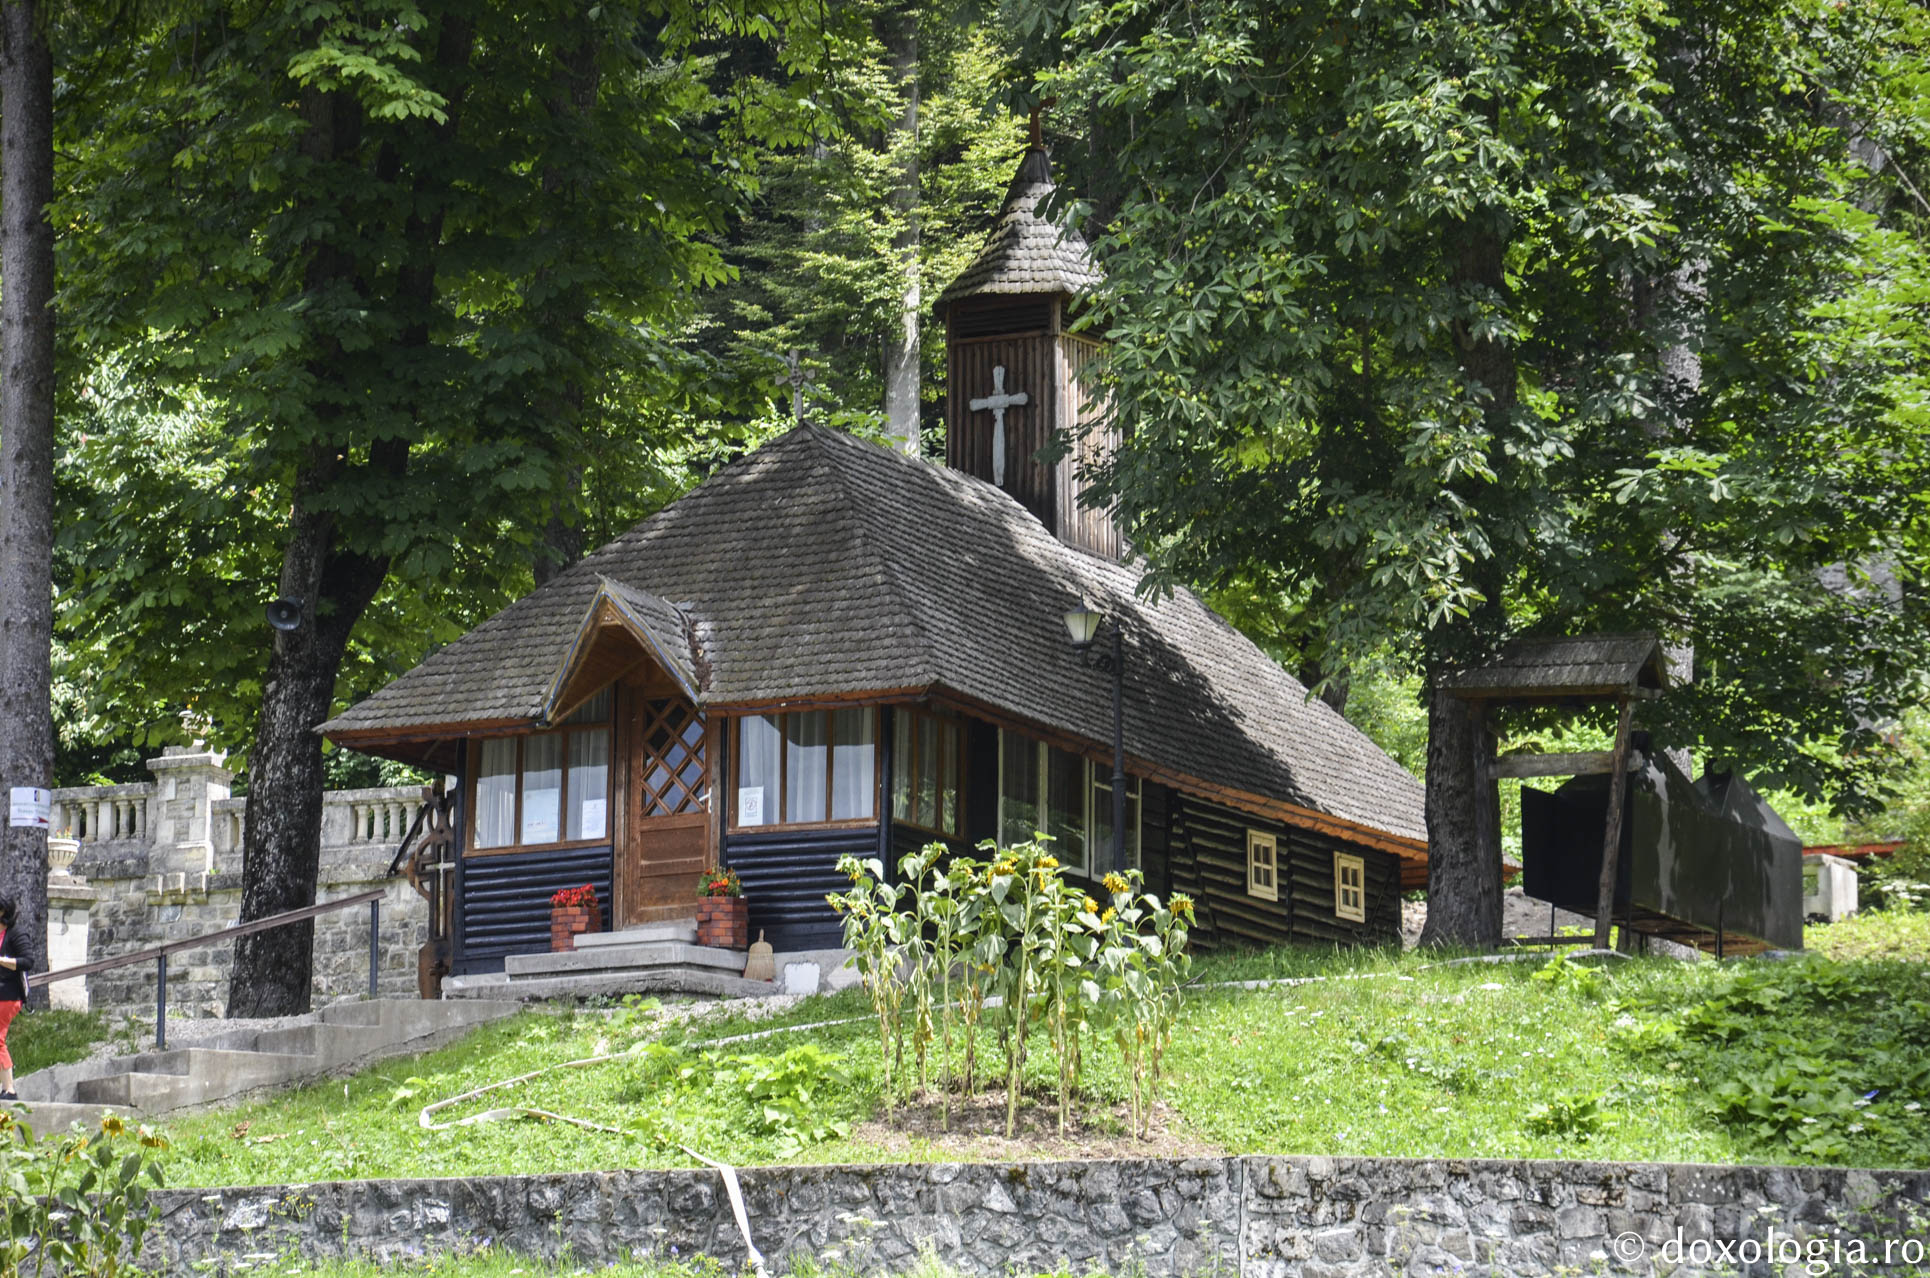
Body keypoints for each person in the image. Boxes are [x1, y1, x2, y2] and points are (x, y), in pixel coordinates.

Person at [0, 898, 29, 1101]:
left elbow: (28, 961)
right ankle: (7, 1089)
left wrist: (2, 961)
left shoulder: (16, 933)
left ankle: (9, 1089)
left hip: (8, 995)